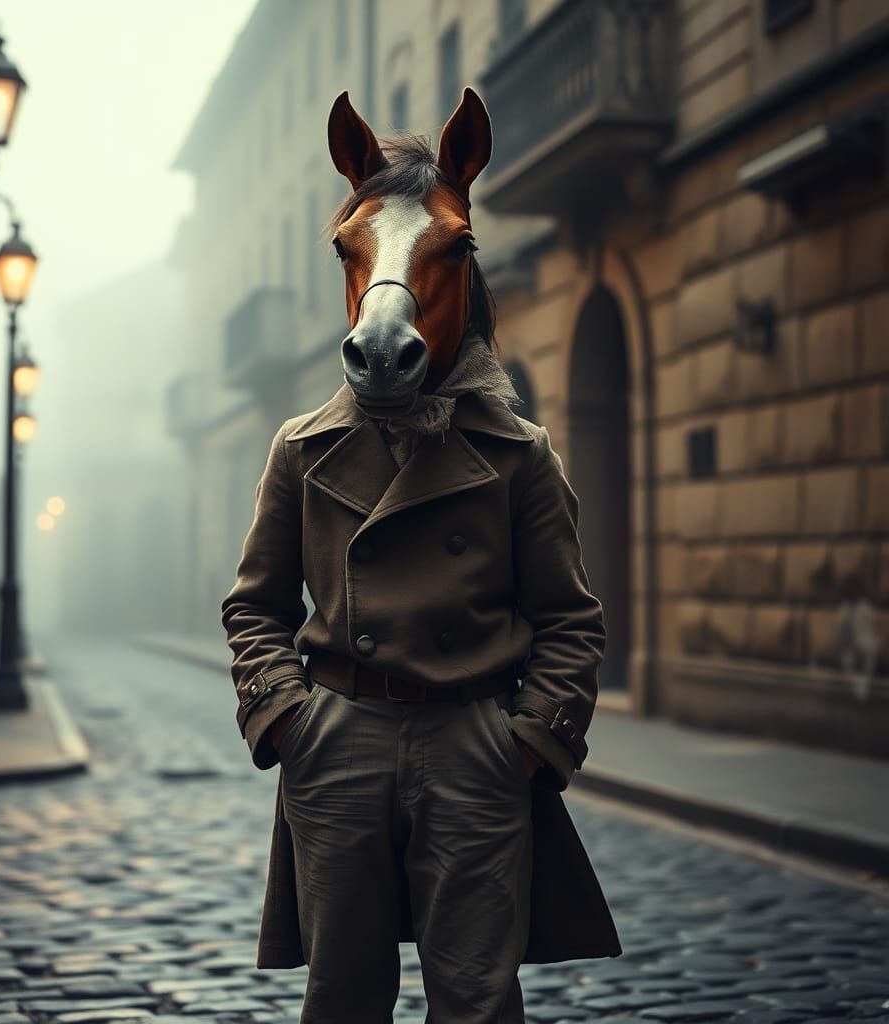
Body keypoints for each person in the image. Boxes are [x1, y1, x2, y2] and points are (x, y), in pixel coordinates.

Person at [221, 87, 615, 1024]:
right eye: (363, 259)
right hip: (340, 739)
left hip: (473, 745)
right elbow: (254, 608)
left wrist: (523, 745)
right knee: (343, 1000)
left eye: (437, 252)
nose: (390, 290)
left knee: (478, 1000)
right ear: (355, 273)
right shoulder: (300, 449)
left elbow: (571, 620)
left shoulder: (520, 454)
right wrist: (289, 722)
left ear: (459, 269)